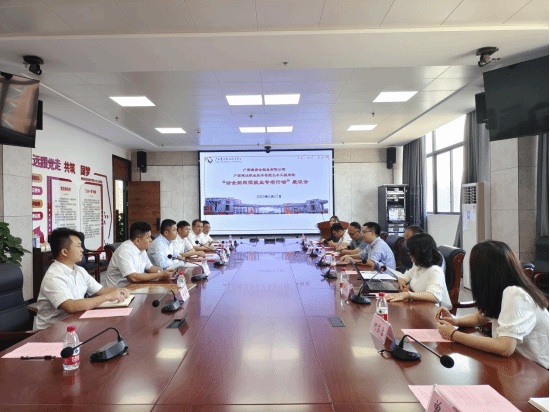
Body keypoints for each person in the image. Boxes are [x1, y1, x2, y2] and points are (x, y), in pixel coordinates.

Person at [436, 240, 549, 369]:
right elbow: (480, 318)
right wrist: (454, 321)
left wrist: (453, 335)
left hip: (539, 370)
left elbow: (505, 347)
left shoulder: (515, 294)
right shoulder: (504, 289)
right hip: (518, 364)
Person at [35, 228, 129, 330]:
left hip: (75, 323)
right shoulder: (54, 276)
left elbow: (100, 290)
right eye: (78, 246)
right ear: (64, 252)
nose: (82, 250)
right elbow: (71, 306)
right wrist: (108, 297)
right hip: (52, 331)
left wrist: (120, 290)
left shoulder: (79, 270)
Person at [385, 233, 452, 309]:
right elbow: (404, 277)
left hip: (432, 310)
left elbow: (434, 296)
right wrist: (403, 285)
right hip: (418, 306)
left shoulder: (435, 271)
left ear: (420, 252)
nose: (409, 254)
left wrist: (408, 294)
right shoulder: (418, 266)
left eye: (411, 251)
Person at [104, 222, 175, 288]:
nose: (151, 240)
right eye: (148, 237)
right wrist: (161, 274)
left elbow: (150, 268)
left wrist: (168, 270)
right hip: (118, 291)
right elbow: (133, 277)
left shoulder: (141, 249)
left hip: (135, 287)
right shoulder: (124, 251)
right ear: (138, 240)